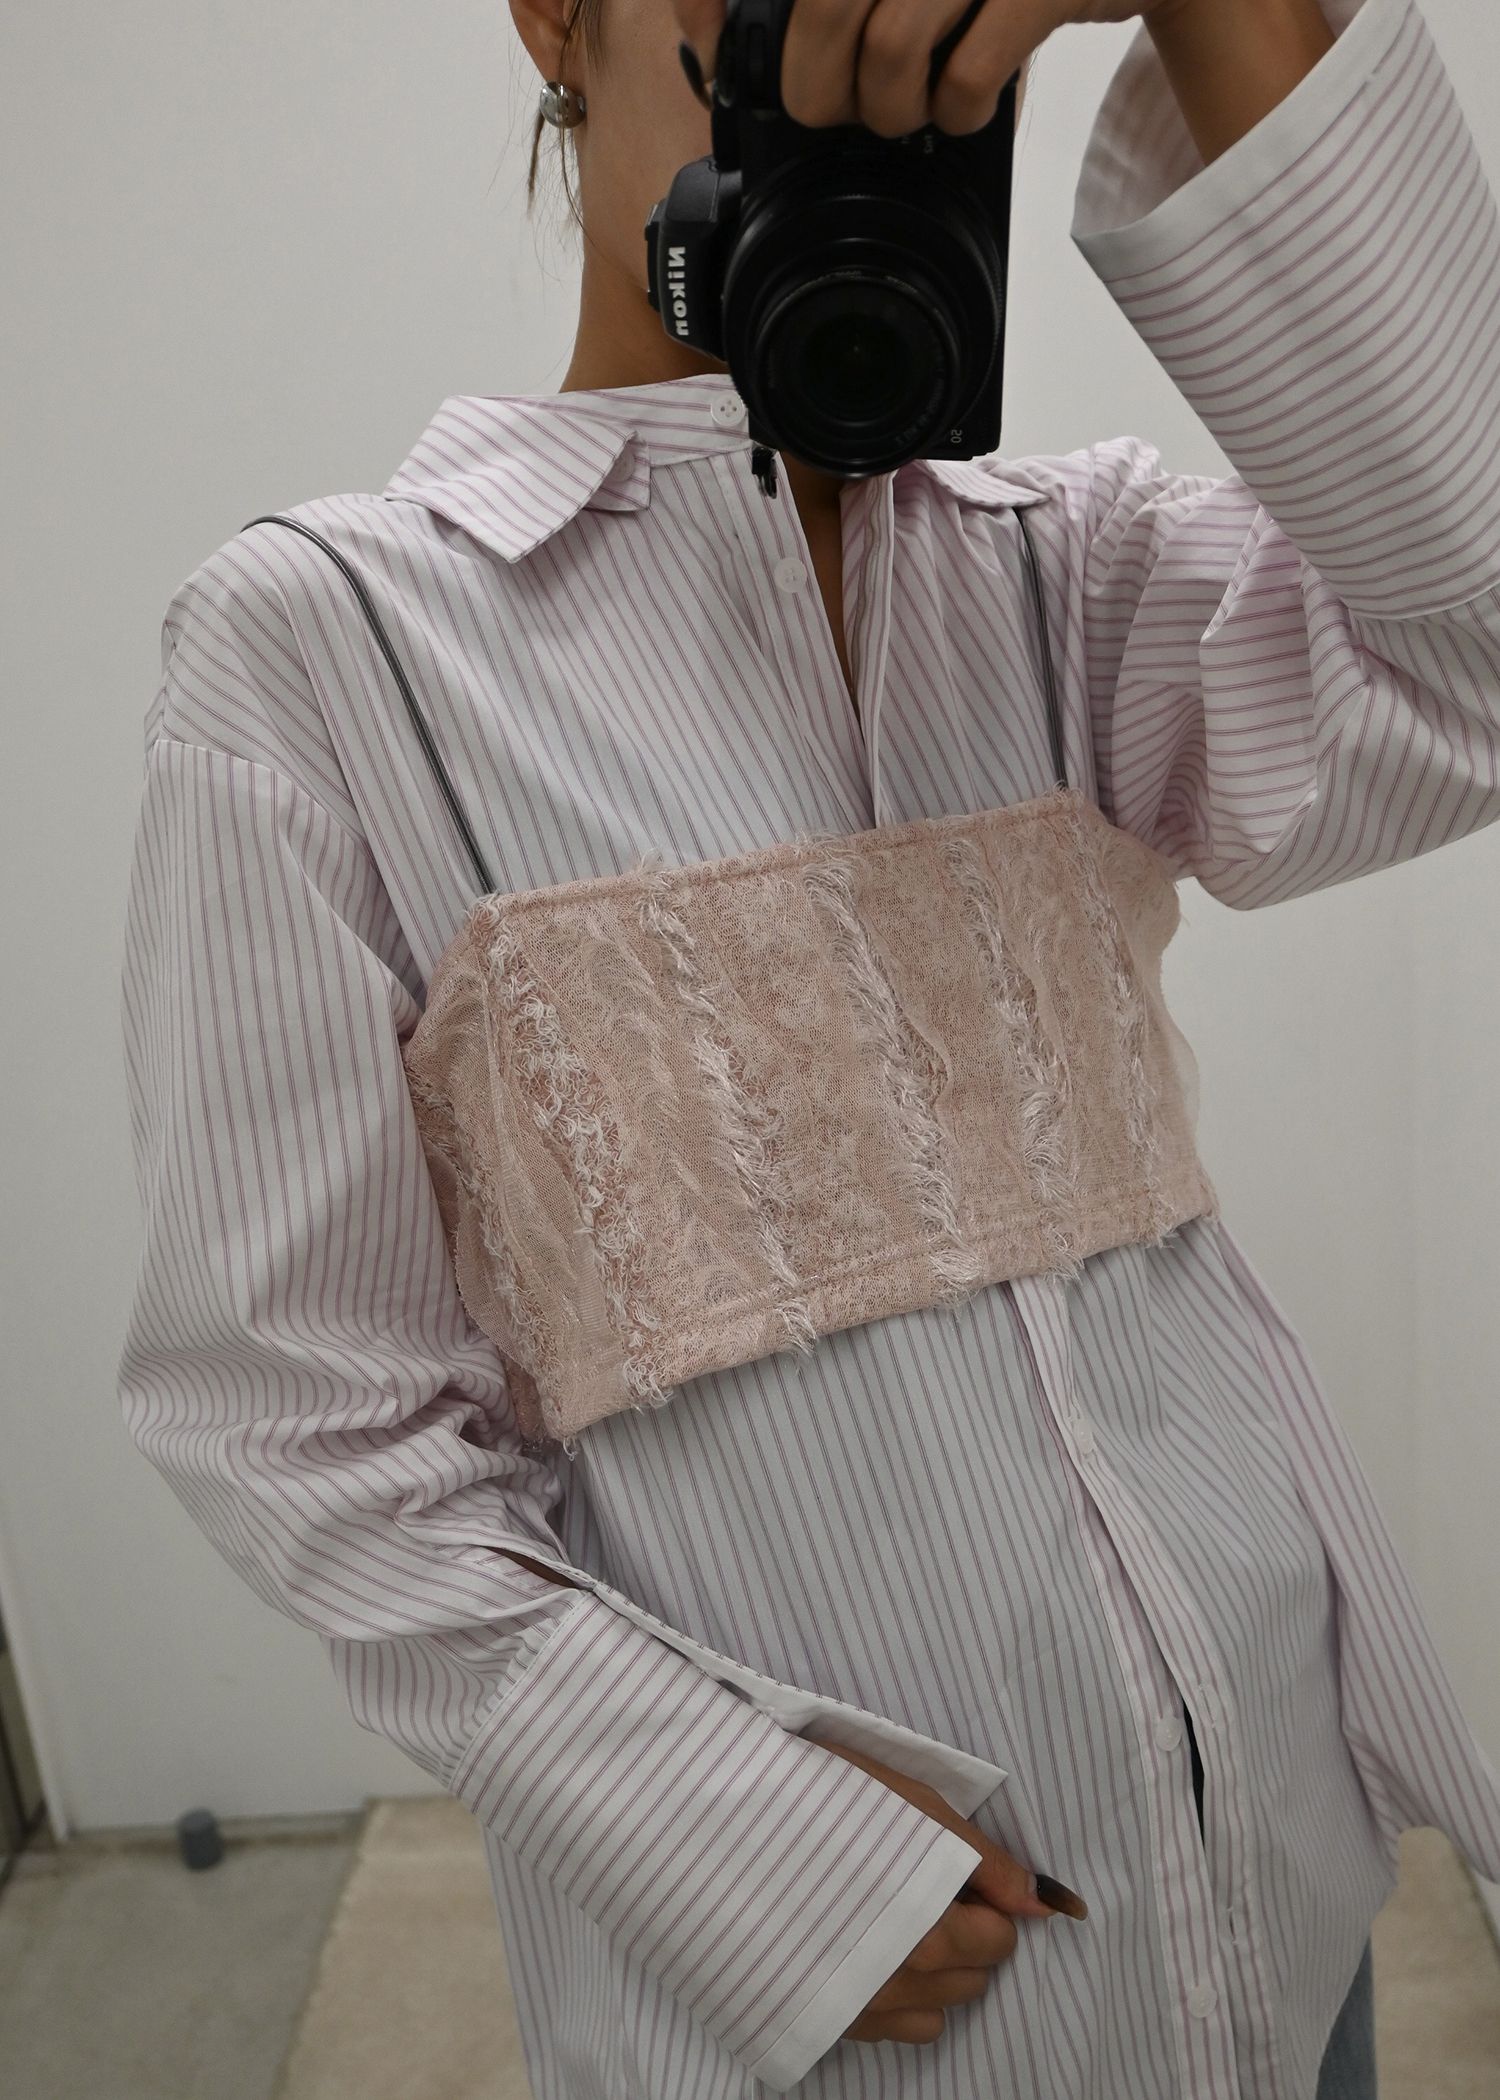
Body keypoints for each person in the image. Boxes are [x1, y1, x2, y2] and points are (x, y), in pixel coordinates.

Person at [115, 0, 1500, 2093]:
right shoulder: (331, 655)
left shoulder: (1069, 575)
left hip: (1277, 1907)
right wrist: (748, 1856)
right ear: (557, 15)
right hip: (868, 2002)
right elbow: (299, 1417)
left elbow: (1468, 661)